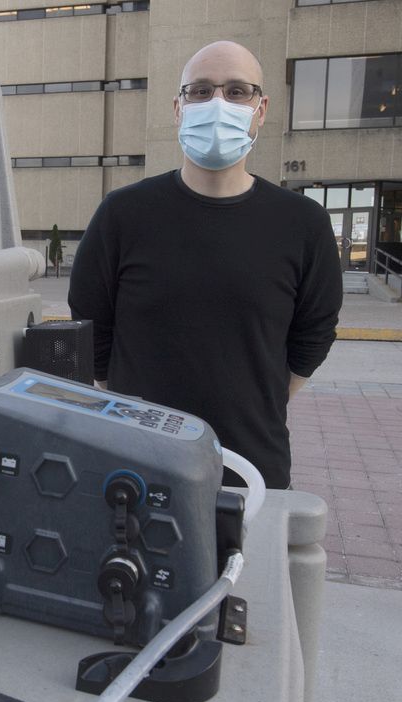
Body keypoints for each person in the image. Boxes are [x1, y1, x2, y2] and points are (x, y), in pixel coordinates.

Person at [67, 40, 342, 488]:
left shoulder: (303, 223)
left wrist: (260, 403)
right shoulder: (122, 215)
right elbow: (92, 331)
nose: (217, 103)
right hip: (135, 468)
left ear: (261, 108)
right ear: (178, 107)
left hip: (251, 470)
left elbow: (313, 336)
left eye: (236, 92)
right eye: (200, 91)